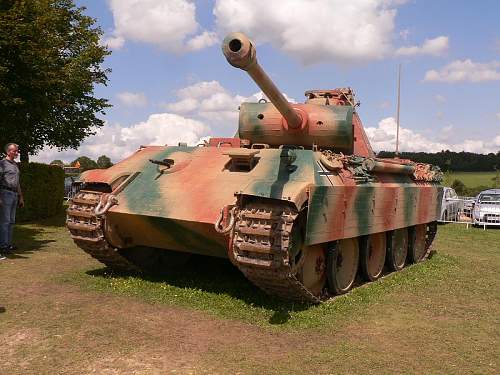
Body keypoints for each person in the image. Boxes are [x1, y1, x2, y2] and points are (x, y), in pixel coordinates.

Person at [0, 143, 24, 258]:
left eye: (17, 151)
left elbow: (17, 182)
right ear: (8, 151)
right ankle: (3, 246)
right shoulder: (2, 163)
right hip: (5, 193)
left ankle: (8, 244)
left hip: (14, 194)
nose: (17, 153)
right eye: (15, 151)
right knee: (5, 221)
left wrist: (21, 197)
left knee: (11, 221)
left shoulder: (15, 164)